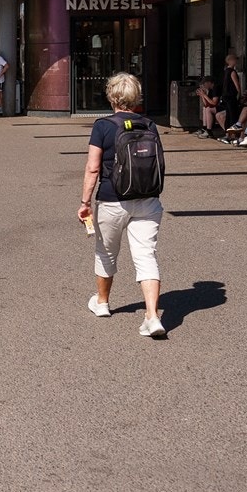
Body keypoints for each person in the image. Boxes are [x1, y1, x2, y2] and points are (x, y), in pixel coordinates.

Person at [76, 72, 166, 339]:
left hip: (112, 199)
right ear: (135, 97)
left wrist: (85, 202)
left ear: (111, 96)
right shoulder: (149, 125)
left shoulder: (103, 126)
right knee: (146, 255)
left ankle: (102, 303)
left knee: (106, 252)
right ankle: (152, 316)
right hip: (148, 199)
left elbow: (93, 169)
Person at [219, 54, 243, 137]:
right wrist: (239, 93)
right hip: (231, 96)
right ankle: (233, 134)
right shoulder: (232, 72)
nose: (236, 62)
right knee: (233, 115)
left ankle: (227, 133)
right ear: (230, 61)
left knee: (228, 115)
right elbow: (237, 84)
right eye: (234, 60)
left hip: (225, 96)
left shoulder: (226, 71)